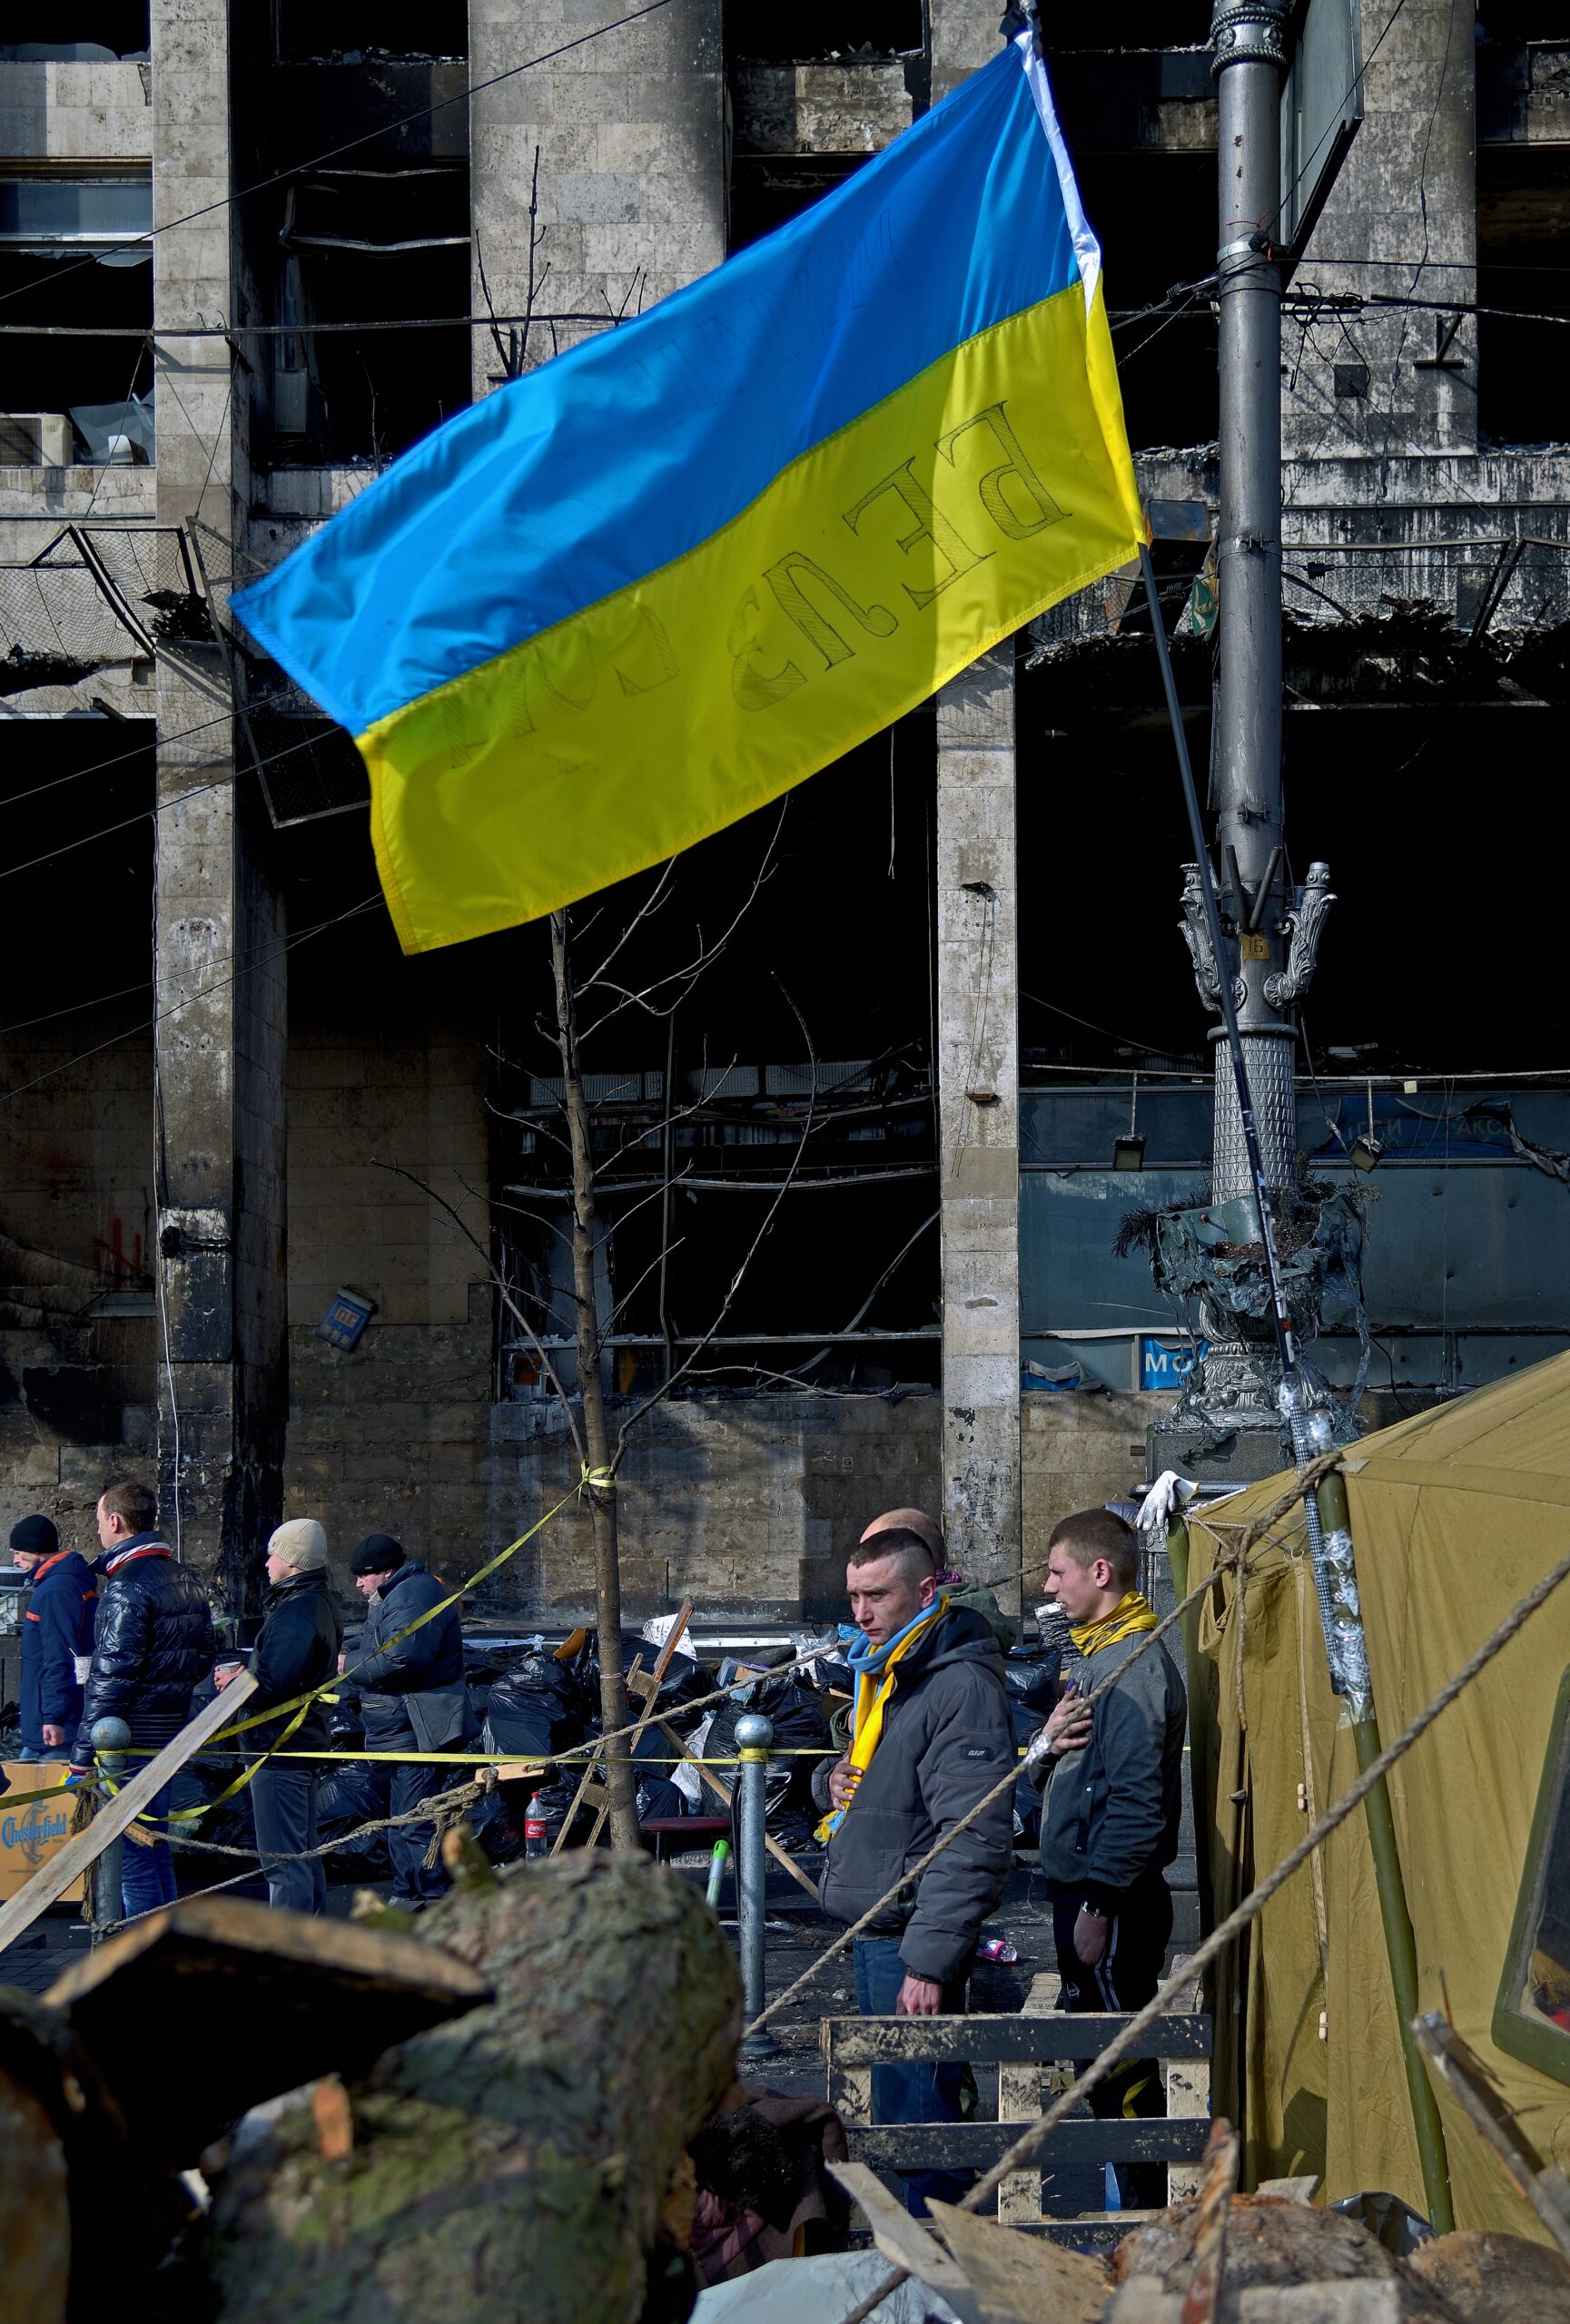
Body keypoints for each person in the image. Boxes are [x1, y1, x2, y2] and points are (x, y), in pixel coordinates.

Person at [816, 1523, 1015, 2216]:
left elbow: (972, 1834)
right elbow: (884, 1783)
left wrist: (929, 1962)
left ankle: (936, 2275)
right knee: (903, 2115)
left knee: (920, 2122)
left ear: (927, 1590)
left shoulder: (954, 1683)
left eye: (877, 1596)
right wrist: (831, 1780)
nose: (861, 1614)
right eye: (852, 1598)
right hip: (881, 1922)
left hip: (907, 1936)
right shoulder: (892, 1666)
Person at [1026, 1505, 1186, 2209]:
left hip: (1108, 1897)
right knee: (1095, 2045)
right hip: (1086, 1886)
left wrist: (1098, 1901)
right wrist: (1044, 1749)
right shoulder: (1099, 1658)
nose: (1050, 1588)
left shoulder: (1132, 1666)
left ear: (1099, 1571)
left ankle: (1143, 2208)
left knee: (1117, 2053)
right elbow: (1074, 1772)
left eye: (1057, 1572)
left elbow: (1134, 1801)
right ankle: (1131, 2199)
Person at [73, 1480, 216, 1920]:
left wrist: (81, 1755)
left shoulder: (126, 1586)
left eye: (99, 1522)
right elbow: (203, 1657)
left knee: (133, 1854)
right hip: (169, 1732)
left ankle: (145, 1953)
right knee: (154, 1846)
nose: (98, 1531)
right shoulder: (185, 1577)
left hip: (129, 1740)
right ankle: (166, 1941)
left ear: (115, 1521)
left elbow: (111, 1676)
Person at [215, 1519, 341, 1915]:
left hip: (279, 1747)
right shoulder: (315, 1601)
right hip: (300, 1744)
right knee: (301, 1853)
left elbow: (274, 1684)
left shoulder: (296, 1611)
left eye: (273, 1553)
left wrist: (239, 1680)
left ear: (291, 1559)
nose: (266, 1562)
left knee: (283, 1862)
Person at [345, 1533, 478, 1908]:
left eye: (363, 1576)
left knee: (415, 1819)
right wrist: (347, 1651)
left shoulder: (412, 1594)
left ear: (384, 1572)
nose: (357, 1583)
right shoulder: (398, 1595)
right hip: (403, 1727)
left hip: (417, 1728)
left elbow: (401, 1658)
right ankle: (408, 1892)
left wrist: (345, 1666)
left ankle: (432, 1899)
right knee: (403, 1817)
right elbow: (378, 1646)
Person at [10, 1514, 96, 1760]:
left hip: (55, 1725)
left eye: (18, 1552)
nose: (15, 1560)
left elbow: (60, 1655)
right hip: (53, 1717)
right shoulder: (63, 1583)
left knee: (40, 1792)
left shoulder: (56, 1590)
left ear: (34, 1550)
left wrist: (53, 1717)